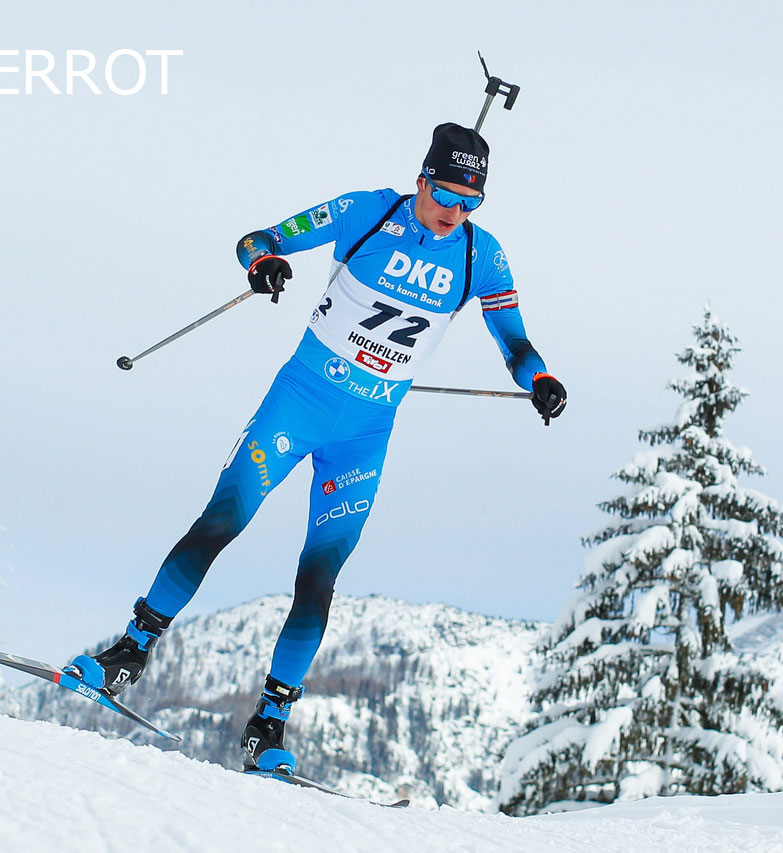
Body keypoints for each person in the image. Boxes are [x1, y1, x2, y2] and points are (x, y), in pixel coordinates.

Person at [66, 122, 567, 775]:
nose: (454, 213)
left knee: (318, 577)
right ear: (422, 179)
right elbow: (260, 238)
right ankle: (127, 653)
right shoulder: (367, 211)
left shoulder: (481, 254)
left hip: (364, 434)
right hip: (299, 400)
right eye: (446, 195)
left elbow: (516, 343)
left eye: (470, 203)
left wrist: (542, 380)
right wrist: (266, 262)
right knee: (220, 523)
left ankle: (268, 723)